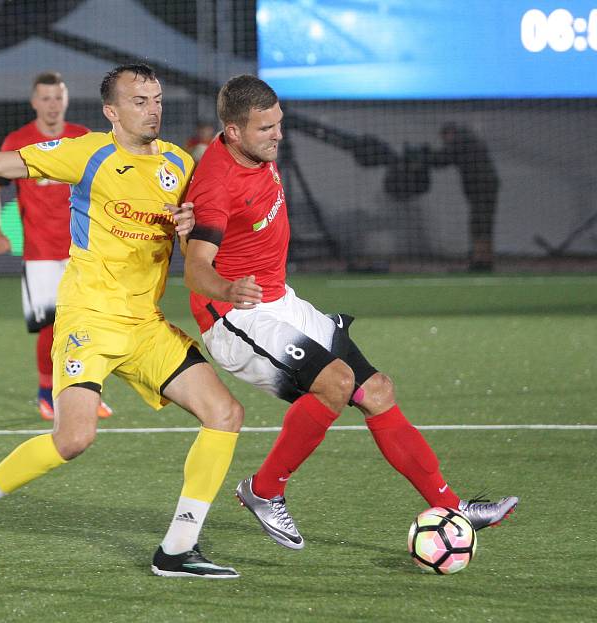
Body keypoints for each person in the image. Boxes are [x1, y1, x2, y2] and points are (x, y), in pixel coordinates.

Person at [0, 63, 244, 578]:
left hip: (145, 323)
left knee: (225, 414)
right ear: (112, 111)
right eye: (139, 100)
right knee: (73, 440)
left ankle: (177, 549)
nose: (152, 108)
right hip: (89, 316)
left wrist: (187, 228)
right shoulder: (86, 152)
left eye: (156, 99)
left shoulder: (178, 163)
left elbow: (192, 247)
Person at [183, 74, 518, 551]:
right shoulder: (218, 181)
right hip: (238, 318)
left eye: (279, 123)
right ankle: (264, 490)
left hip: (282, 302)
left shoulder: (256, 151)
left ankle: (451, 506)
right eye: (265, 128)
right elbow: (196, 271)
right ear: (234, 132)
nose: (278, 134)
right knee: (337, 382)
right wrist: (228, 289)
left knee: (376, 390)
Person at [0, 71, 111, 421]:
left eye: (58, 98)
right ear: (34, 102)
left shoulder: (82, 138)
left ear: (65, 100)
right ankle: (45, 393)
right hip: (40, 254)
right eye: (46, 98)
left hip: (84, 252)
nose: (52, 105)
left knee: (91, 324)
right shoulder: (19, 141)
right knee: (52, 327)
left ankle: (87, 393)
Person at [430, 122, 500, 272]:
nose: (445, 142)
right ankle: (483, 260)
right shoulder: (468, 140)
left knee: (480, 224)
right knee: (483, 224)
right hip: (484, 188)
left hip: (482, 188)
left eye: (444, 138)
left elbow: (441, 160)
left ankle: (482, 261)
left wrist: (425, 156)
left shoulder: (461, 141)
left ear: (449, 133)